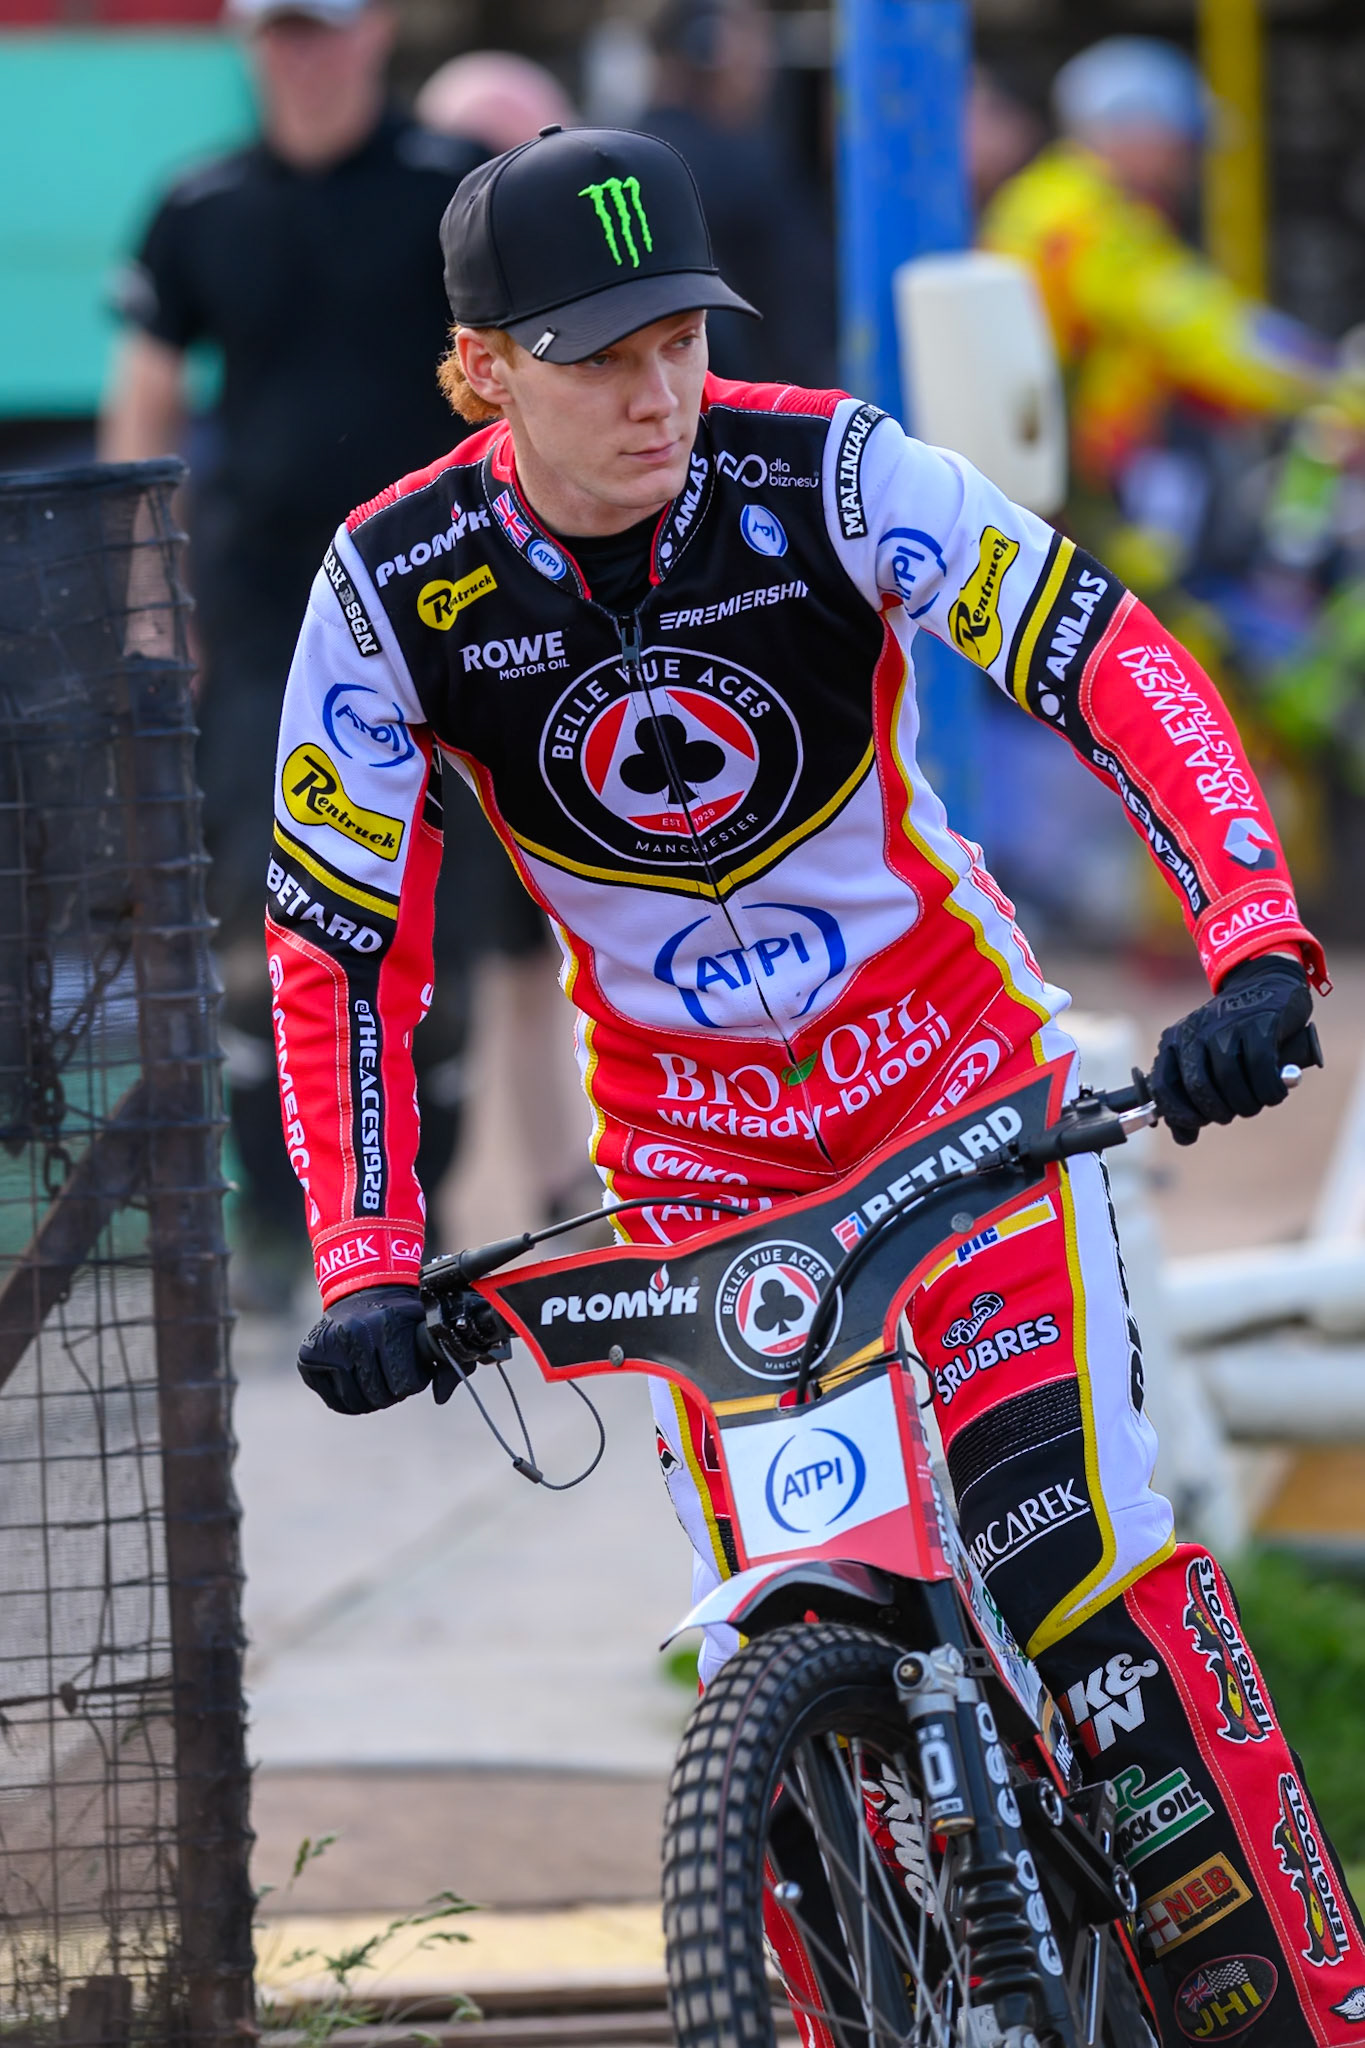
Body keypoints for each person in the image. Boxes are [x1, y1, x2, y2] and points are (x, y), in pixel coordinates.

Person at [270, 126, 1359, 2036]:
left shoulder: (830, 469)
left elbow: (1107, 659)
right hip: (705, 1204)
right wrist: (368, 1250)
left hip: (964, 1112)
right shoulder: (392, 588)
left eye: (679, 334)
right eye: (597, 351)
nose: (657, 387)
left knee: (1078, 1594)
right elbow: (339, 943)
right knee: (790, 1653)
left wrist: (1253, 942)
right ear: (481, 368)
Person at [99, 0, 485, 1308]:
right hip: (269, 613)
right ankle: (289, 1232)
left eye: (324, 29)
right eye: (280, 34)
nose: (303, 56)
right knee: (279, 914)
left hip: (452, 607)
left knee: (449, 921)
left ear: (377, 35)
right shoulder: (197, 205)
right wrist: (150, 603)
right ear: (252, 48)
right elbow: (145, 393)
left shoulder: (450, 192)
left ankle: (427, 1233)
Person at [982, 36, 1334, 506]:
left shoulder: (1055, 197)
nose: (1186, 163)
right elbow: (1204, 328)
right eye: (1179, 142)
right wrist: (1330, 378)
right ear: (1133, 131)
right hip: (1074, 486)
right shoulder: (1087, 220)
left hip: (1059, 467)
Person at [639, 0, 836, 388]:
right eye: (755, 36)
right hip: (756, 407)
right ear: (707, 47)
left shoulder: (630, 154)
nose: (767, 59)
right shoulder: (744, 165)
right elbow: (800, 315)